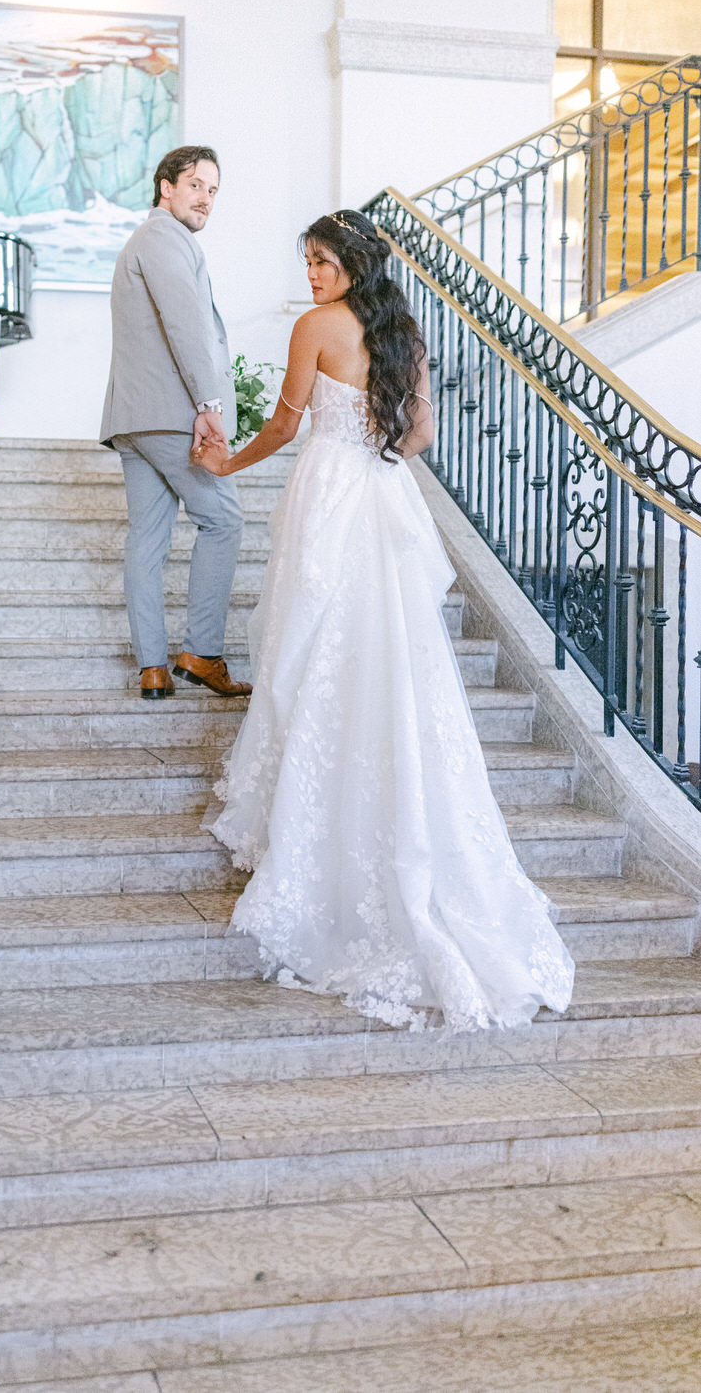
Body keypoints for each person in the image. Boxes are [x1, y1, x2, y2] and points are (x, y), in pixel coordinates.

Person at [192, 210, 574, 1033]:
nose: (312, 274)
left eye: (323, 261)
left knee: (311, 642)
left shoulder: (316, 327)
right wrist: (377, 456)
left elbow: (288, 423)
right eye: (307, 262)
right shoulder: (400, 332)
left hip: (328, 491)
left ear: (352, 262)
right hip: (380, 492)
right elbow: (420, 433)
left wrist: (226, 462)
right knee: (383, 650)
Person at [100, 144, 251, 700]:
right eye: (196, 185)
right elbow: (185, 325)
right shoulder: (164, 236)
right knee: (224, 520)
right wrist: (208, 406)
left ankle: (153, 667)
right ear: (166, 186)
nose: (206, 198)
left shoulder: (144, 241)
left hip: (134, 418)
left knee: (148, 538)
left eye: (213, 190)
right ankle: (202, 653)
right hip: (170, 414)